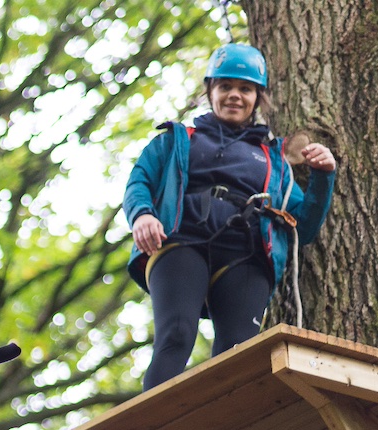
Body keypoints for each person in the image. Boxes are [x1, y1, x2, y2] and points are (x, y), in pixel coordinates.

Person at [123, 43, 337, 390]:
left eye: (245, 89)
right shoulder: (178, 140)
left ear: (258, 97)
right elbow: (140, 181)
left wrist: (323, 177)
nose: (235, 95)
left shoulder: (274, 162)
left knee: (239, 351)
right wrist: (143, 215)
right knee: (176, 335)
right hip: (180, 242)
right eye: (225, 87)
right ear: (210, 92)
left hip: (246, 255)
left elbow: (305, 229)